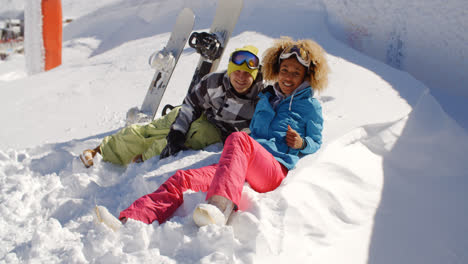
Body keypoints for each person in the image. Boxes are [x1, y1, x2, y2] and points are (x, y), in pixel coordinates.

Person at [116, 37, 330, 227]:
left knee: (239, 139)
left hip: (272, 169)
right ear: (276, 71)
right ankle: (135, 217)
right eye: (284, 70)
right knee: (183, 178)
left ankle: (220, 207)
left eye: (296, 73)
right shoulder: (266, 98)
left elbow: (316, 141)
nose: (288, 77)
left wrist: (302, 143)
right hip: (242, 164)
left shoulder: (310, 106)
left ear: (307, 75)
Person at [79, 45, 263, 168]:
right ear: (230, 69)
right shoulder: (214, 82)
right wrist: (177, 130)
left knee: (196, 134)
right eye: (237, 71)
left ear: (254, 75)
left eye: (247, 74)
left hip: (220, 133)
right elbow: (191, 105)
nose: (241, 77)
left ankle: (144, 159)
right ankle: (102, 151)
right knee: (159, 127)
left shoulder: (261, 98)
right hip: (201, 114)